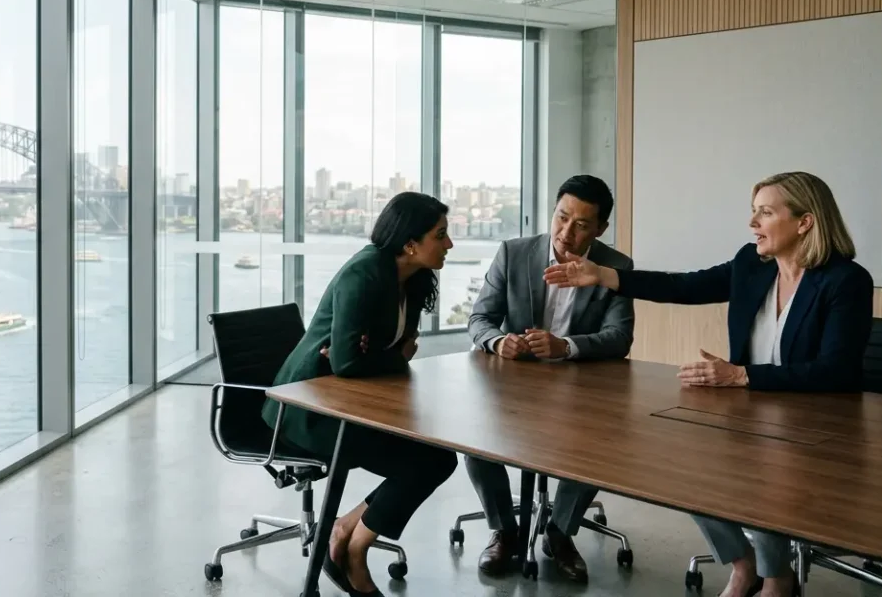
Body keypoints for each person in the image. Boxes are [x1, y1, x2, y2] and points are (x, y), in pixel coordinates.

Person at [544, 171, 873, 597]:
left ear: (804, 222)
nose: (753, 224)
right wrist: (605, 276)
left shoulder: (846, 281)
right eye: (753, 213)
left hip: (820, 426)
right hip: (753, 414)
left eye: (765, 213)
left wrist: (740, 375)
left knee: (767, 469)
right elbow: (683, 286)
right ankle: (744, 563)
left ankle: (778, 581)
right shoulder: (751, 265)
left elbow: (837, 371)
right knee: (684, 463)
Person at [261, 191, 457, 597]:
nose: (449, 244)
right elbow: (352, 362)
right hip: (305, 408)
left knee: (437, 456)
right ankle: (351, 551)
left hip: (349, 400)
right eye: (441, 235)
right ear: (410, 243)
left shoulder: (412, 279)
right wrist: (393, 356)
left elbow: (379, 353)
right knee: (427, 461)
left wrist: (384, 355)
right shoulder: (364, 272)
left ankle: (348, 531)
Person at [465, 174, 635, 582]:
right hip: (514, 386)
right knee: (472, 441)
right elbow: (479, 318)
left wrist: (567, 346)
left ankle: (560, 532)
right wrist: (498, 341)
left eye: (581, 225)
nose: (566, 232)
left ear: (600, 229)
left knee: (598, 441)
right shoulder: (515, 253)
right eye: (562, 218)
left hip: (580, 389)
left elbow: (619, 337)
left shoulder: (615, 266)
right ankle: (505, 529)